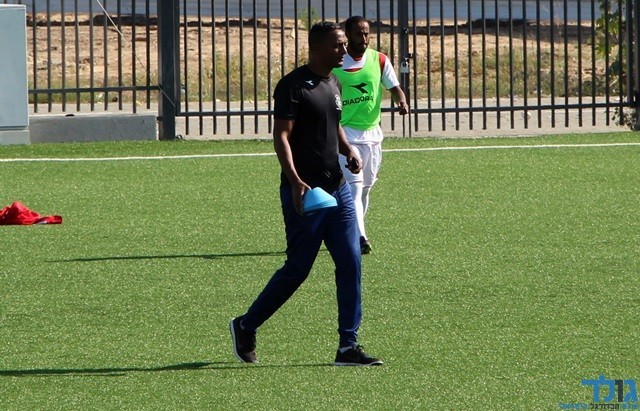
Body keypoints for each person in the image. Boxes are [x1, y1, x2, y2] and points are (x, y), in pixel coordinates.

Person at [229, 21, 383, 367]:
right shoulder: (293, 86)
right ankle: (246, 325)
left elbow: (334, 123)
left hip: (338, 189)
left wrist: (347, 150)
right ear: (317, 48)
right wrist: (296, 181)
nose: (344, 50)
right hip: (307, 193)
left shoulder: (334, 82)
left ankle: (348, 346)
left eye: (344, 44)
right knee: (298, 268)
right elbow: (282, 136)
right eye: (337, 45)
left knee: (351, 262)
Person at [332, 15, 409, 255]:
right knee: (354, 189)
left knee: (365, 190)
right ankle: (360, 237)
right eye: (359, 33)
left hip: (373, 135)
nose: (364, 38)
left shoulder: (379, 59)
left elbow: (394, 87)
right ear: (347, 35)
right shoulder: (336, 63)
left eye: (367, 33)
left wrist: (401, 100)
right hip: (346, 135)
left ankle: (350, 229)